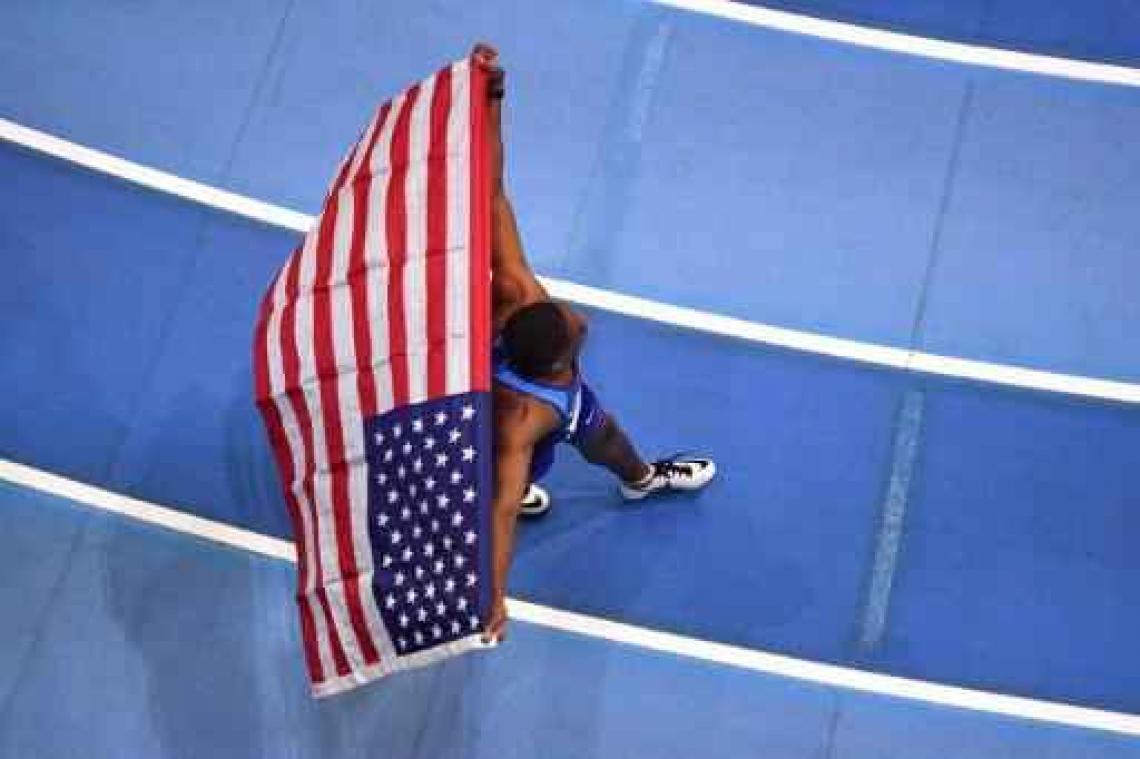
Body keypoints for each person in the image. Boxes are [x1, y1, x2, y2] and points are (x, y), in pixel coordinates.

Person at [473, 44, 716, 643]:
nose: (579, 316)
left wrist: (491, 97)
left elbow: (493, 192)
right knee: (507, 486)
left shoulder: (519, 295)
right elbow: (501, 513)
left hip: (514, 393)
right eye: (574, 323)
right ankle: (576, 484)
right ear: (562, 361)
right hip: (499, 435)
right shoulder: (526, 421)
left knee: (605, 437)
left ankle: (641, 479)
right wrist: (495, 598)